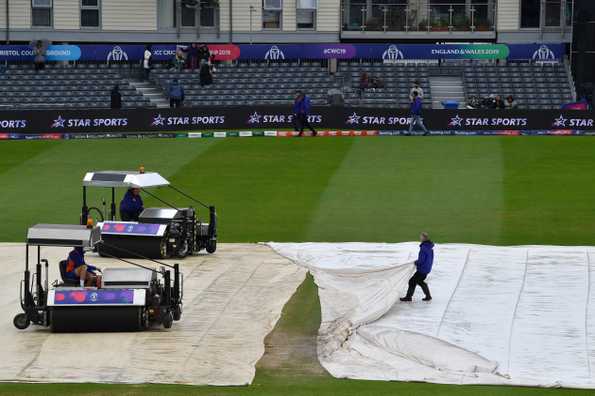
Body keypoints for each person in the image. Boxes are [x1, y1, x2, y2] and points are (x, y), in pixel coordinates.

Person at [400, 232, 434, 302]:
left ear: (423, 238)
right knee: (420, 281)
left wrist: (416, 262)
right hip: (427, 268)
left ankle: (408, 297)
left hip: (422, 269)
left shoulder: (423, 248)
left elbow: (421, 260)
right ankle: (428, 296)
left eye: (421, 236)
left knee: (412, 281)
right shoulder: (429, 247)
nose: (420, 238)